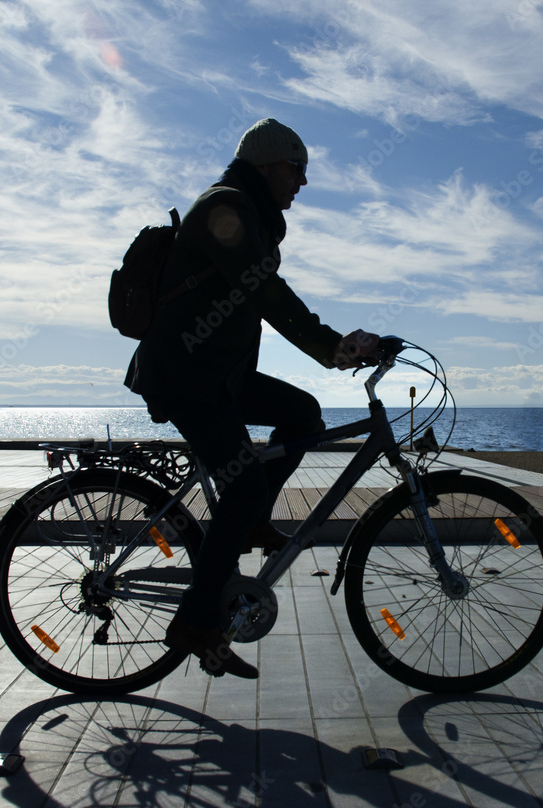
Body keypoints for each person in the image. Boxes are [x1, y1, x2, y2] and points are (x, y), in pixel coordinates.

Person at [125, 118, 378, 679]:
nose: (303, 181)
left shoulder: (251, 214)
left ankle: (253, 522)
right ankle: (195, 623)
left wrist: (335, 346)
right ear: (266, 164)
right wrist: (330, 344)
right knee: (242, 488)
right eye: (296, 168)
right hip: (185, 376)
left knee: (302, 414)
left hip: (219, 376)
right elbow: (263, 289)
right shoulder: (227, 208)